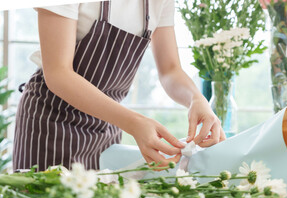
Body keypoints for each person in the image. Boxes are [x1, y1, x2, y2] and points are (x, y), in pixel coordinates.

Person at [12, 0, 226, 171]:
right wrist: (134, 122)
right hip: (51, 124)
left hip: (108, 126)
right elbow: (58, 73)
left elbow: (170, 70)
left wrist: (197, 99)